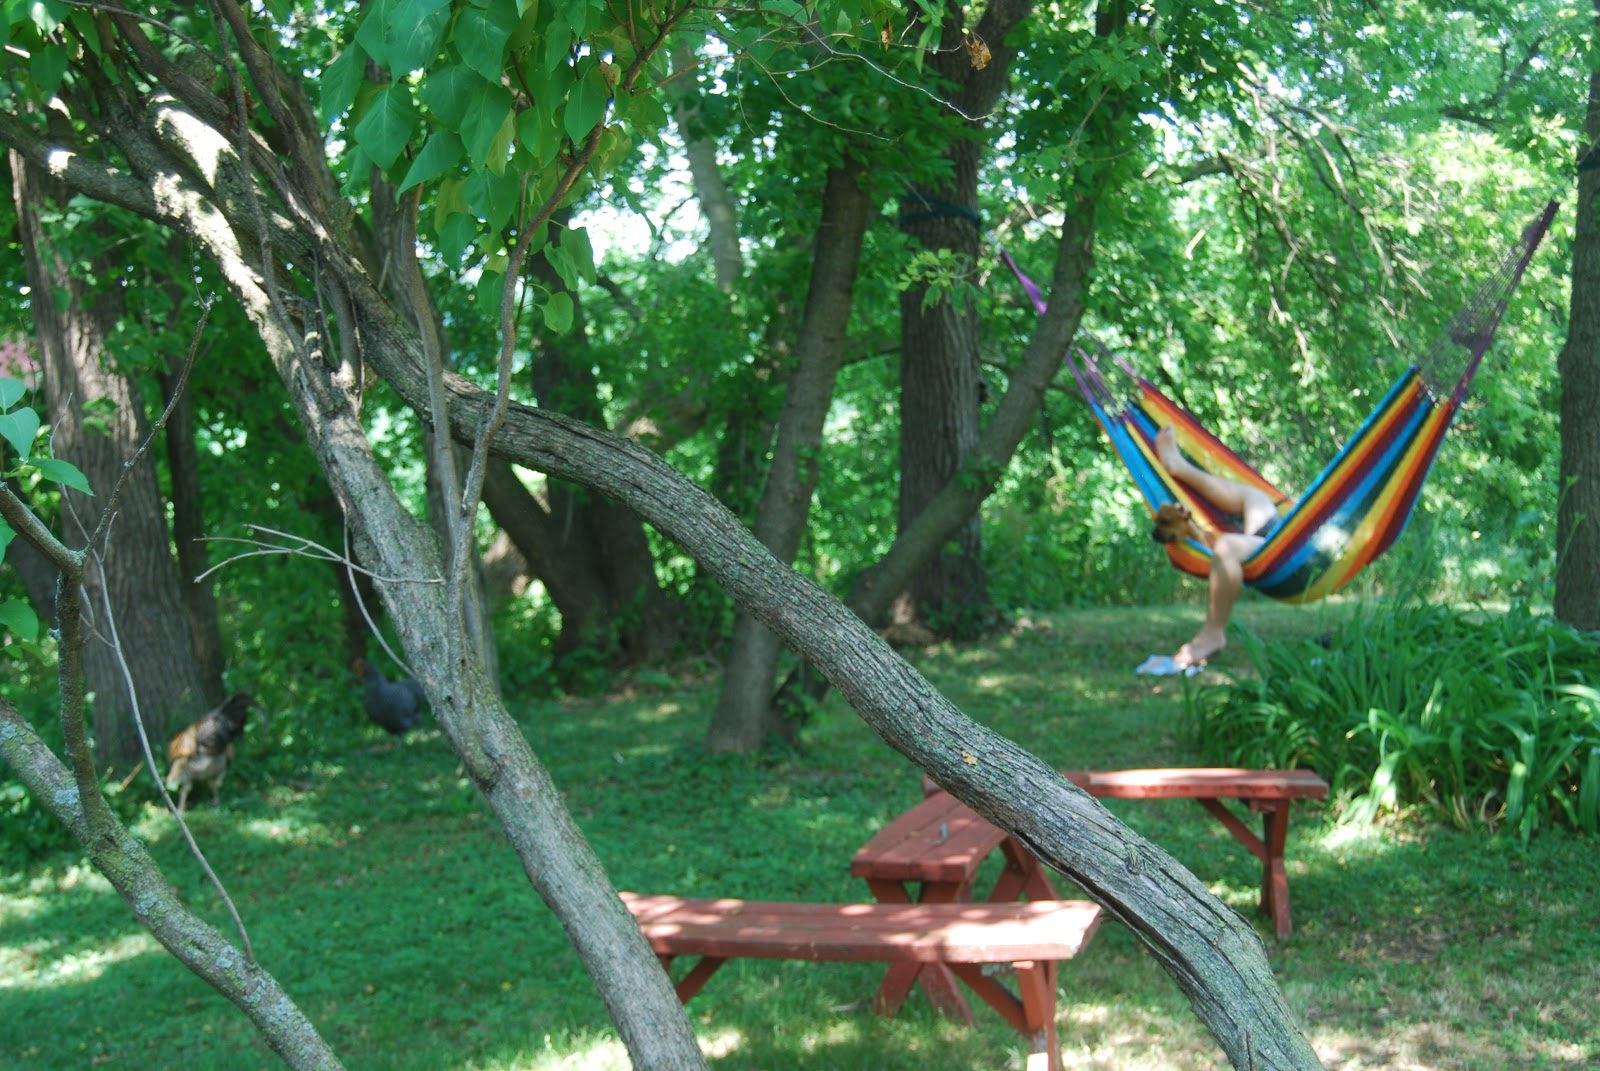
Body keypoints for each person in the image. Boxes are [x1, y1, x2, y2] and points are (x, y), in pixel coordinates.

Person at [1150, 425, 1286, 667]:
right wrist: (1190, 526)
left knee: (1227, 546)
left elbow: (1218, 554)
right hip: (1267, 534)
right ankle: (1178, 466)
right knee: (1253, 497)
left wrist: (1189, 526)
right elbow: (1208, 556)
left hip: (1285, 549)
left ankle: (1213, 634)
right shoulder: (1194, 541)